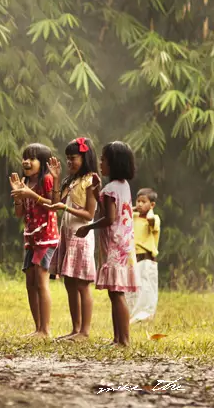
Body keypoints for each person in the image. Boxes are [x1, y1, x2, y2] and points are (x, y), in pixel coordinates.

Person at [76, 141, 137, 346]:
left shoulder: (111, 189)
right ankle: (117, 338)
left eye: (104, 160)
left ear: (114, 163)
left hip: (114, 248)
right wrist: (96, 192)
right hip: (124, 246)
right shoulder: (122, 187)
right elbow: (108, 210)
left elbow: (109, 218)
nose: (100, 163)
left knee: (117, 295)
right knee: (115, 293)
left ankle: (124, 340)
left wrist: (88, 227)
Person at [45, 138, 100, 341]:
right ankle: (75, 329)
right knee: (69, 283)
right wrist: (57, 179)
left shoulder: (91, 180)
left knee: (82, 285)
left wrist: (66, 208)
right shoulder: (71, 180)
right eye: (67, 159)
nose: (69, 163)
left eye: (73, 158)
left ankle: (84, 332)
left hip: (81, 236)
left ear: (85, 157)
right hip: (67, 235)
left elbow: (89, 214)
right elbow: (54, 203)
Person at [10, 143, 58, 338]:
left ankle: (45, 330)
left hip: (46, 237)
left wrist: (31, 195)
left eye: (32, 158)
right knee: (30, 283)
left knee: (40, 281)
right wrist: (18, 194)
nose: (26, 162)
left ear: (43, 163)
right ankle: (37, 328)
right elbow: (19, 213)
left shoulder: (46, 180)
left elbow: (53, 205)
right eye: (25, 158)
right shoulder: (25, 182)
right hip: (31, 238)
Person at [127, 187, 160, 323]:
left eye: (143, 202)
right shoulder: (133, 217)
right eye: (138, 201)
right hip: (132, 258)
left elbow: (152, 222)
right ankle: (131, 317)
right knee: (132, 290)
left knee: (147, 290)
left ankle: (145, 317)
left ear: (152, 205)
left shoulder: (153, 218)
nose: (139, 204)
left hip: (146, 260)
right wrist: (132, 209)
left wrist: (149, 211)